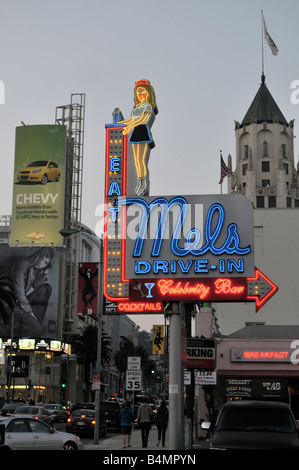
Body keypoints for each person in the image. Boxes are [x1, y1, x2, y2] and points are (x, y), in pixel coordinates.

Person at [120, 79, 158, 196]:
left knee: (141, 160)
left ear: (148, 93)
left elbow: (142, 120)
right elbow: (131, 119)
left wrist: (129, 126)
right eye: (138, 93)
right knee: (136, 161)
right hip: (135, 132)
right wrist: (120, 123)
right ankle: (139, 183)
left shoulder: (148, 106)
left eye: (143, 92)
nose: (140, 95)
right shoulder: (137, 108)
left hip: (142, 131)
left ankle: (143, 184)